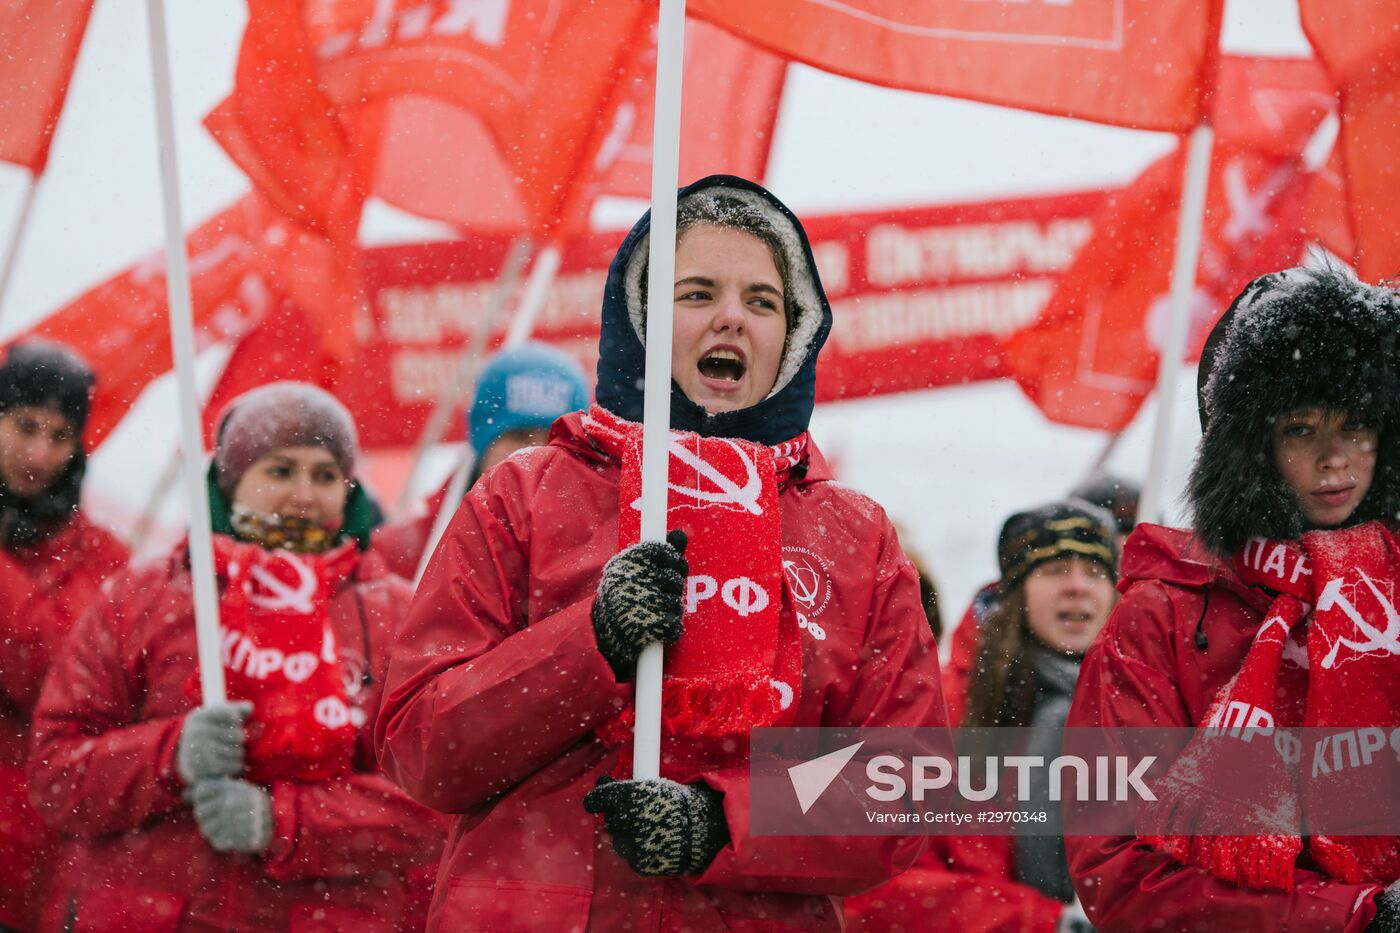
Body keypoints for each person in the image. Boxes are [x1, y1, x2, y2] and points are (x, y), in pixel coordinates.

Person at [376, 175, 945, 930]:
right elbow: (422, 749)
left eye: (762, 301)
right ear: (642, 315)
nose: (732, 319)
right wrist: (592, 644)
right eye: (699, 293)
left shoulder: (857, 538)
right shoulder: (525, 496)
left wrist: (720, 823)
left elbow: (903, 786)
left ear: (796, 333)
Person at [29, 382, 443, 931]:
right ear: (230, 481)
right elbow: (56, 775)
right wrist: (171, 756)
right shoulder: (143, 597)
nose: (303, 493)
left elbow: (436, 802)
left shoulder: (399, 616)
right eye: (278, 470)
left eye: (324, 476)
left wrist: (284, 821)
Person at [1065, 266, 1400, 931]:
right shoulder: (1159, 613)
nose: (1336, 457)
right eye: (1301, 429)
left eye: (1354, 424)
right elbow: (1121, 868)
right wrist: (1353, 917)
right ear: (1251, 449)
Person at [846, 501, 1118, 933]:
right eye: (1055, 570)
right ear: (1013, 593)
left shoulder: (1149, 708)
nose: (1078, 587)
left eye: (1097, 571)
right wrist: (1041, 923)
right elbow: (869, 884)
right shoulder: (937, 713)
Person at [0, 341, 129, 932]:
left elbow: (49, 676)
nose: (38, 452)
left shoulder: (101, 557)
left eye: (59, 435)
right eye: (25, 426)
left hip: (34, 845)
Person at [372, 342, 590, 580]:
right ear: (482, 443)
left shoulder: (604, 553)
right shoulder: (399, 557)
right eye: (519, 437)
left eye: (553, 438)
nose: (537, 453)